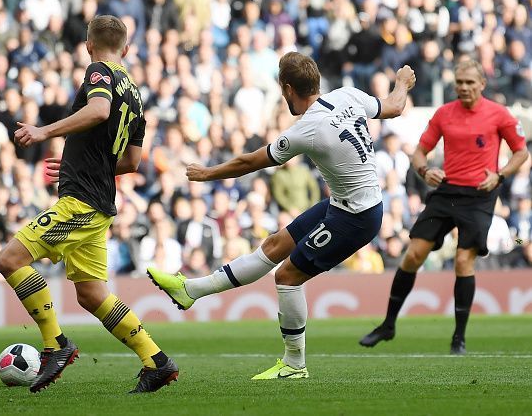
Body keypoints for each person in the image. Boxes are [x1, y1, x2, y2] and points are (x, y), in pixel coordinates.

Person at [148, 51, 416, 379]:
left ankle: (294, 364)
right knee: (275, 245)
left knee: (287, 276)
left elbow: (249, 162)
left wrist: (207, 174)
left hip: (356, 216)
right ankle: (190, 290)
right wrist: (402, 82)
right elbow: (393, 106)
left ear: (287, 89)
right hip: (345, 204)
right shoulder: (348, 95)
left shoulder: (306, 129)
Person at [0, 15, 178, 394]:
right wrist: (81, 160)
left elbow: (97, 112)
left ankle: (56, 345)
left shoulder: (99, 71)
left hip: (81, 203)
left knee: (10, 259)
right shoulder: (137, 95)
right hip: (98, 201)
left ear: (88, 46)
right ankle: (156, 361)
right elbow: (130, 162)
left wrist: (43, 130)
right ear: (126, 49)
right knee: (91, 293)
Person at [359, 59, 530, 355]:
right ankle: (388, 325)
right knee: (413, 255)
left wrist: (500, 175)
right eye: (459, 83)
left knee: (464, 261)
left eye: (469, 83)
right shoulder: (444, 114)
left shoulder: (498, 115)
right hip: (446, 191)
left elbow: (521, 152)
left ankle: (458, 338)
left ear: (482, 85)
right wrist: (425, 171)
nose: (463, 87)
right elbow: (419, 153)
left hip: (480, 194)